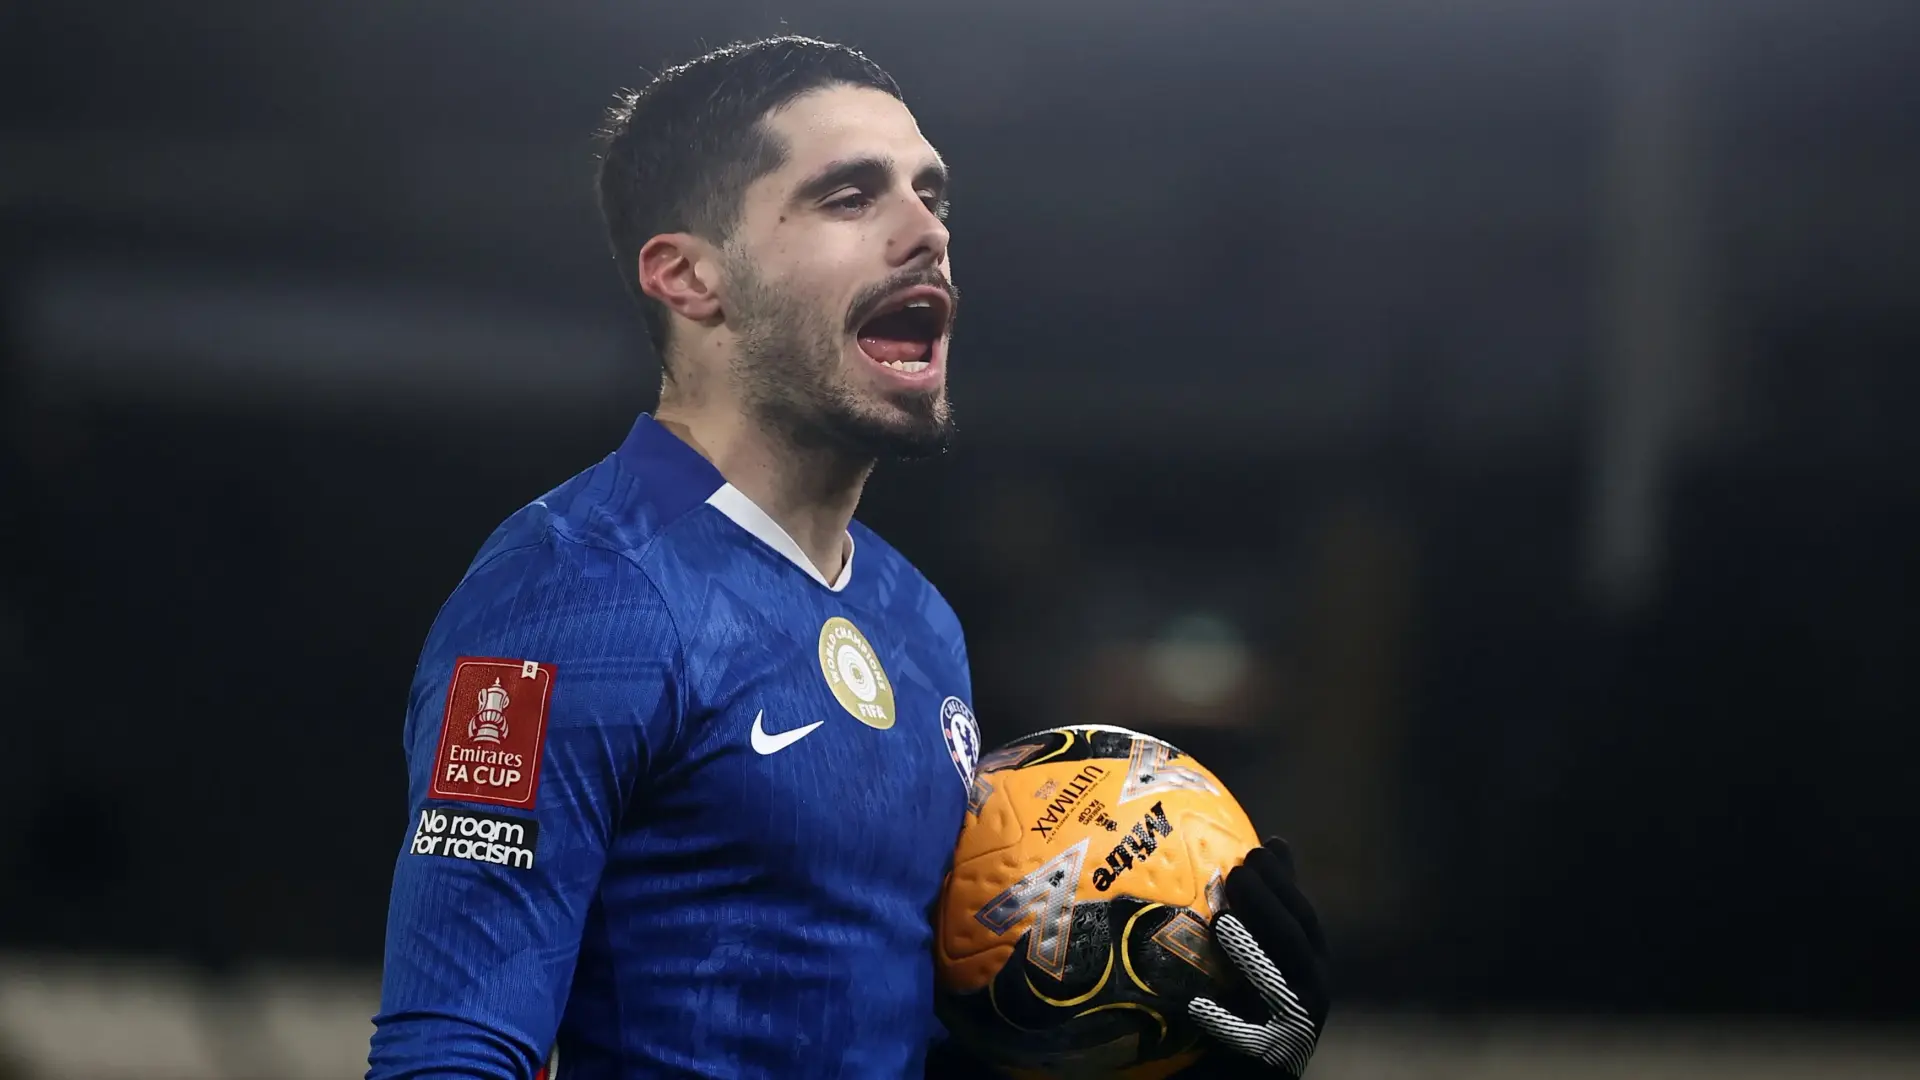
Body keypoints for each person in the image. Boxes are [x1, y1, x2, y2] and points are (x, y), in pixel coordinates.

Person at [366, 35, 1328, 1080]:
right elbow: (448, 1054)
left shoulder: (918, 620)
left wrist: (1178, 1055)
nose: (927, 232)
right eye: (849, 197)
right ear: (689, 276)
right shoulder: (573, 595)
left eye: (932, 195)